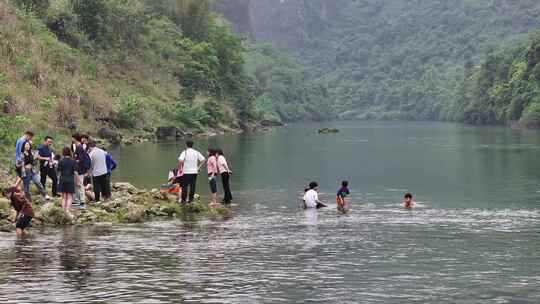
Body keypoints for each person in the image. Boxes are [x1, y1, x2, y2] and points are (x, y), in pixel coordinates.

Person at [72, 133, 90, 209]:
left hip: (80, 170)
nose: (71, 139)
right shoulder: (77, 146)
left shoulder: (79, 147)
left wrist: (75, 161)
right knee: (76, 184)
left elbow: (81, 159)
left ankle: (82, 202)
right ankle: (77, 200)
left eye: (72, 138)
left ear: (75, 138)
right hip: (77, 169)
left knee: (80, 185)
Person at [58, 147, 77, 214]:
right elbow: (75, 172)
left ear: (63, 152)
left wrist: (58, 180)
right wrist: (77, 181)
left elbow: (59, 172)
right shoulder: (73, 161)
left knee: (63, 197)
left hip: (63, 179)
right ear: (70, 152)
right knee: (69, 197)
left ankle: (63, 210)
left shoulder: (61, 161)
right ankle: (67, 210)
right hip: (70, 180)